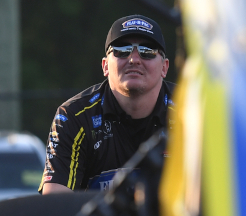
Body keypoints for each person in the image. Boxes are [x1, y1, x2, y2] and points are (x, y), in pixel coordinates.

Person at [40, 15, 174, 193]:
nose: (134, 59)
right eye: (122, 50)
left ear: (164, 67)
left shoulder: (191, 112)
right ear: (105, 66)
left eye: (147, 51)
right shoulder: (74, 117)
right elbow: (56, 200)